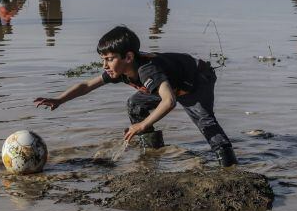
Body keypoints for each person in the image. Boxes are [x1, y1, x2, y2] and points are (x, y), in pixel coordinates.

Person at [34, 26, 238, 166]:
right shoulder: (120, 70)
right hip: (170, 85)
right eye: (102, 59)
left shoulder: (147, 71)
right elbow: (87, 85)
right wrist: (59, 99)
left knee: (206, 123)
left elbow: (169, 101)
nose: (105, 65)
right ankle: (153, 150)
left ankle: (229, 167)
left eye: (109, 59)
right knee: (135, 103)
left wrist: (142, 125)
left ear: (129, 57)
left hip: (195, 80)